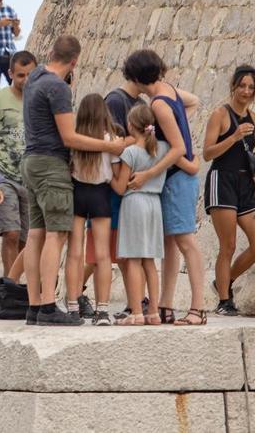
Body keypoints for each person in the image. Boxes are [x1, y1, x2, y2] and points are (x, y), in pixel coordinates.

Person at [21, 35, 133, 326]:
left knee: (36, 234)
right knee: (56, 235)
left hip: (30, 161)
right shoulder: (57, 87)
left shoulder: (34, 77)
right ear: (74, 62)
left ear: (51, 52)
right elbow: (69, 137)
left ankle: (34, 305)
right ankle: (48, 306)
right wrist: (110, 146)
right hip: (50, 164)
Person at [122, 49, 206, 326]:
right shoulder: (168, 91)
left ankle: (198, 308)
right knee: (170, 244)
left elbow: (177, 147)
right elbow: (192, 103)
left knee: (186, 242)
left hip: (176, 180)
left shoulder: (158, 104)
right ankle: (166, 304)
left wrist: (149, 173)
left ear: (136, 78)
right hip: (177, 177)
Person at [202, 65, 255, 316]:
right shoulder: (220, 115)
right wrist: (233, 136)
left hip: (246, 184)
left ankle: (224, 281)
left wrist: (254, 183)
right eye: (242, 86)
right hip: (222, 181)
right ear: (234, 85)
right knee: (227, 245)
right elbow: (207, 153)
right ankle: (224, 301)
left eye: (251, 87)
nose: (246, 91)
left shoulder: (253, 117)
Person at [111, 103, 170, 326]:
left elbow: (120, 188)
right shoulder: (162, 148)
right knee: (150, 261)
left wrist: (109, 174)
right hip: (154, 203)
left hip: (134, 203)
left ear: (130, 125)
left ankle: (136, 312)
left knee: (134, 260)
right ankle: (153, 312)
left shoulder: (130, 152)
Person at [0, 50, 36, 280]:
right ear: (11, 74)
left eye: (30, 75)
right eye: (21, 75)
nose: (25, 80)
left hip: (31, 179)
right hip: (4, 177)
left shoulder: (39, 100)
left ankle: (14, 282)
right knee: (11, 233)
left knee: (27, 237)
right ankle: (10, 283)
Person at [67, 94, 118, 325]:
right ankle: (103, 310)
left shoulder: (75, 139)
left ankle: (72, 306)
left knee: (74, 253)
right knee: (102, 255)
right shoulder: (110, 139)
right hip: (100, 194)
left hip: (78, 192)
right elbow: (115, 174)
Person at [105, 74, 143, 318]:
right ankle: (140, 302)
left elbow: (118, 183)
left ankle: (136, 303)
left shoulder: (137, 103)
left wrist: (108, 173)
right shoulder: (116, 101)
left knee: (115, 253)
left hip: (123, 194)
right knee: (127, 254)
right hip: (130, 198)